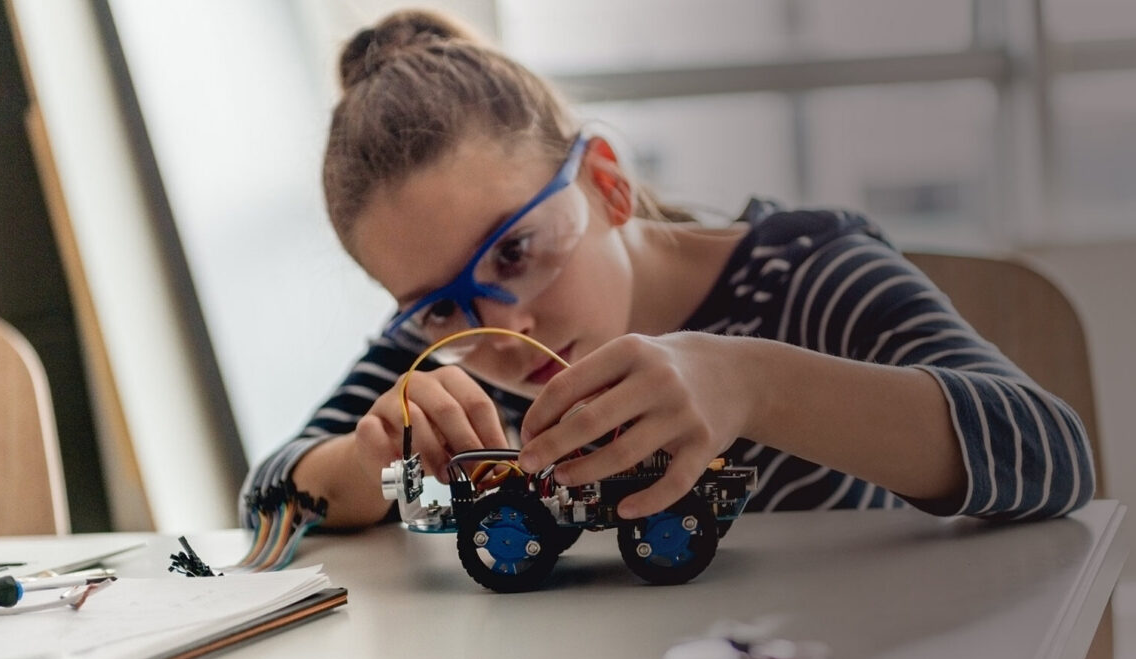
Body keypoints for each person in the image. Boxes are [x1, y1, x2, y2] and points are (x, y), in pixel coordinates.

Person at [241, 9, 1093, 530]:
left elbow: (1053, 456)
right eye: (436, 307)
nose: (505, 327)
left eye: (515, 252)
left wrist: (754, 385)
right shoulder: (454, 356)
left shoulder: (802, 276)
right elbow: (267, 502)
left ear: (606, 182)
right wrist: (367, 462)